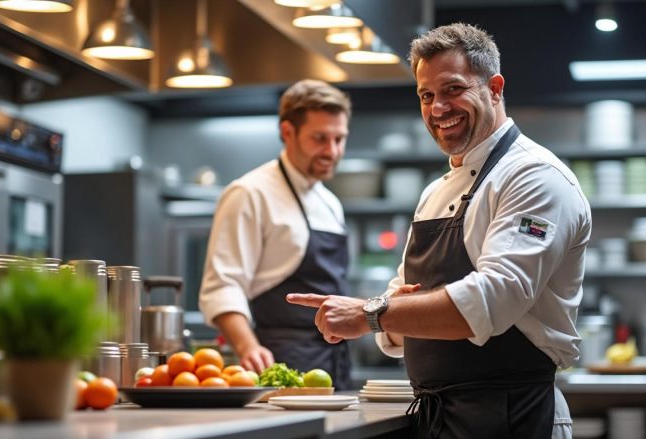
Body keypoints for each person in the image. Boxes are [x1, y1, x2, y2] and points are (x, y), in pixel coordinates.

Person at [287, 23, 591, 438]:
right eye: (426, 96)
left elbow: (492, 298)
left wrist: (370, 313)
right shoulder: (435, 192)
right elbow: (398, 302)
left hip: (514, 416)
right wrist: (386, 314)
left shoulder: (535, 177)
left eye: (453, 89)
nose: (437, 108)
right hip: (440, 419)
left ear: (495, 88)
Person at [199, 79, 354, 389]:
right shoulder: (249, 193)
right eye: (320, 139)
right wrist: (247, 347)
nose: (332, 151)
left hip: (334, 362)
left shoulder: (330, 203)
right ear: (287, 132)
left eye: (339, 139)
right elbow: (222, 286)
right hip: (277, 363)